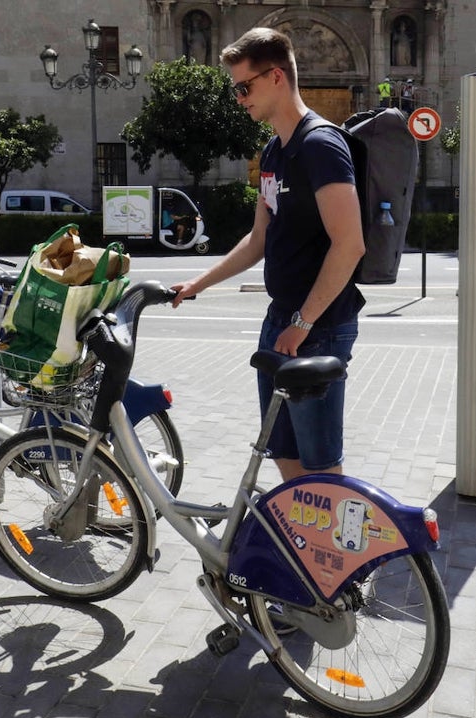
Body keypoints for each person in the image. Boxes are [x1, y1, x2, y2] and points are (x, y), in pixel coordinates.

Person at [170, 27, 365, 482]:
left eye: (244, 87)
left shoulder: (321, 146)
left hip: (318, 328)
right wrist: (199, 284)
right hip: (281, 322)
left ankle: (329, 553)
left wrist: (303, 323)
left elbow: (350, 243)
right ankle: (303, 547)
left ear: (276, 77)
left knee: (321, 467)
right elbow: (259, 239)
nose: (239, 99)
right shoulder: (273, 151)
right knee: (282, 451)